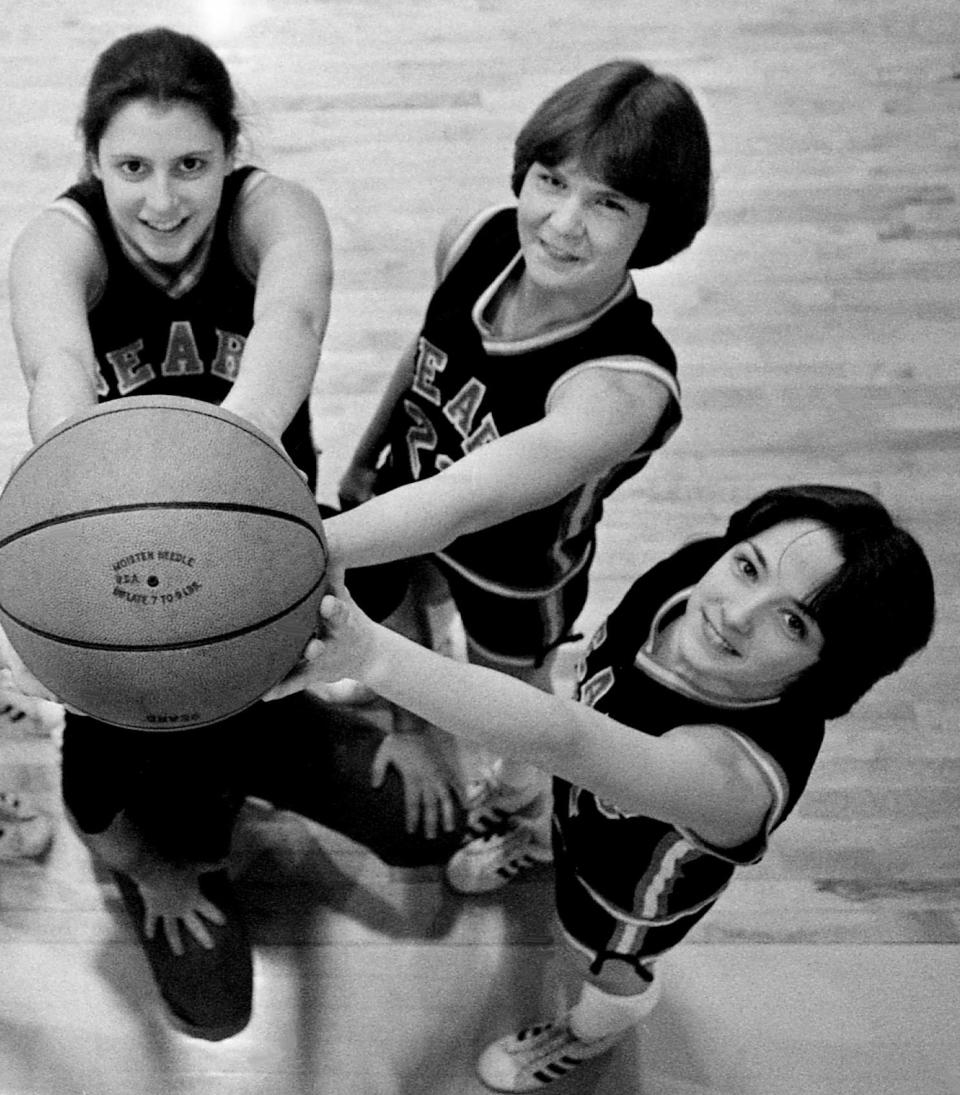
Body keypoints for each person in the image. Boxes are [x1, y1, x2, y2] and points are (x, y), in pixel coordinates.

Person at [5, 26, 466, 1042]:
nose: (162, 200)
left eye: (191, 165)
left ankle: (270, 747)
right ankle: (162, 846)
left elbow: (289, 332)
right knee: (217, 1014)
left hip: (265, 573)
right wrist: (155, 869)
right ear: (91, 160)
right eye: (131, 167)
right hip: (138, 591)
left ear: (230, 153)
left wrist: (419, 716)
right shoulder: (58, 242)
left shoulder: (276, 214)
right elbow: (57, 380)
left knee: (435, 829)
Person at [268, 483, 936, 1092]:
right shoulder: (690, 579)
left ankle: (591, 1031)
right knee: (554, 805)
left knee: (604, 964)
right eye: (748, 566)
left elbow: (565, 737)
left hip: (626, 890)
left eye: (794, 623)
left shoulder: (735, 778)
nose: (736, 613)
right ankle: (533, 841)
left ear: (830, 666)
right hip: (581, 804)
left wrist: (371, 654)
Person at [322, 59, 713, 877]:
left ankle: (519, 810)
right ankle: (406, 697)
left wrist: (311, 543)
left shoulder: (620, 387)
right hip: (405, 494)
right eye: (552, 180)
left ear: (656, 225)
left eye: (608, 203)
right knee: (395, 609)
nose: (564, 222)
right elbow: (425, 354)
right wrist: (364, 462)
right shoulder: (474, 237)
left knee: (513, 701)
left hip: (516, 565)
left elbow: (468, 500)